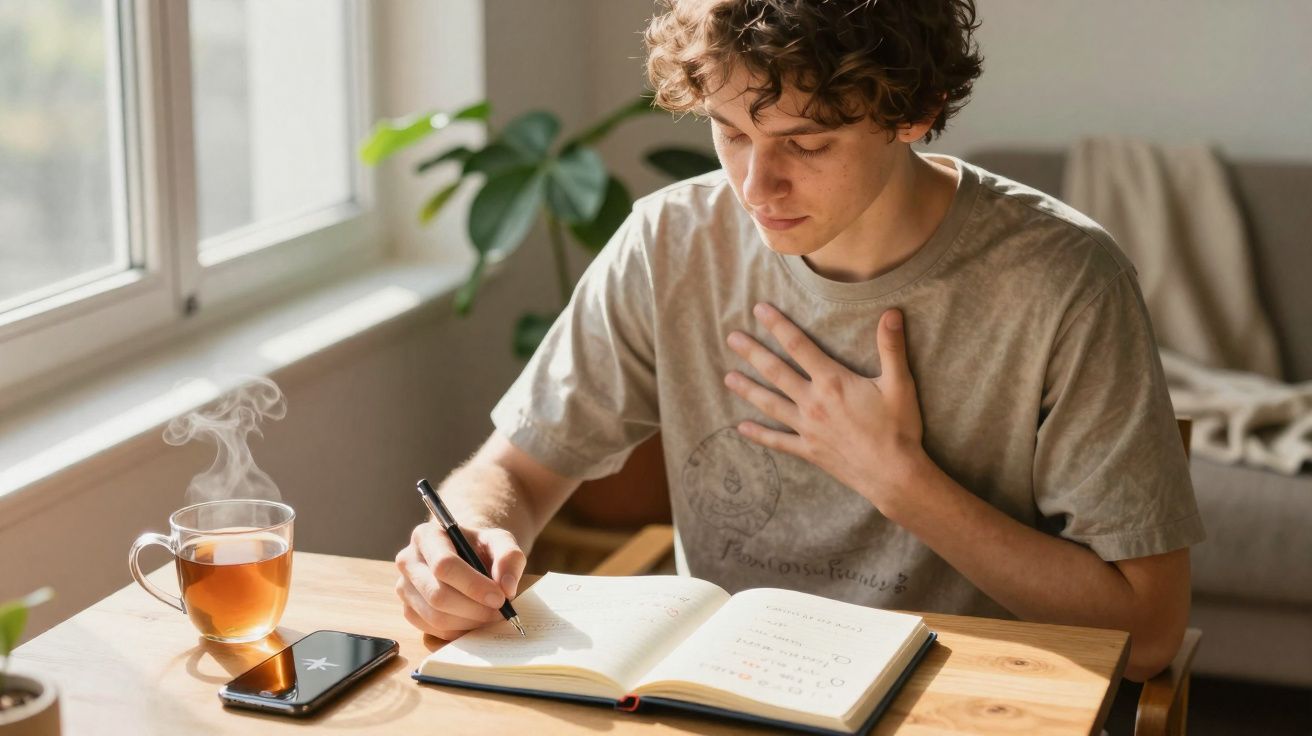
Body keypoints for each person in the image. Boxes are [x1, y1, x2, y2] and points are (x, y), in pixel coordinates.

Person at [394, 0, 1204, 682]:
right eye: (731, 133)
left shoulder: (1064, 279)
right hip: (725, 698)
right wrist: (465, 542)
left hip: (964, 702)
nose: (754, 187)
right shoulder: (671, 241)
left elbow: (1149, 631)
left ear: (913, 113)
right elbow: (515, 474)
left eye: (806, 144)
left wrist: (901, 483)